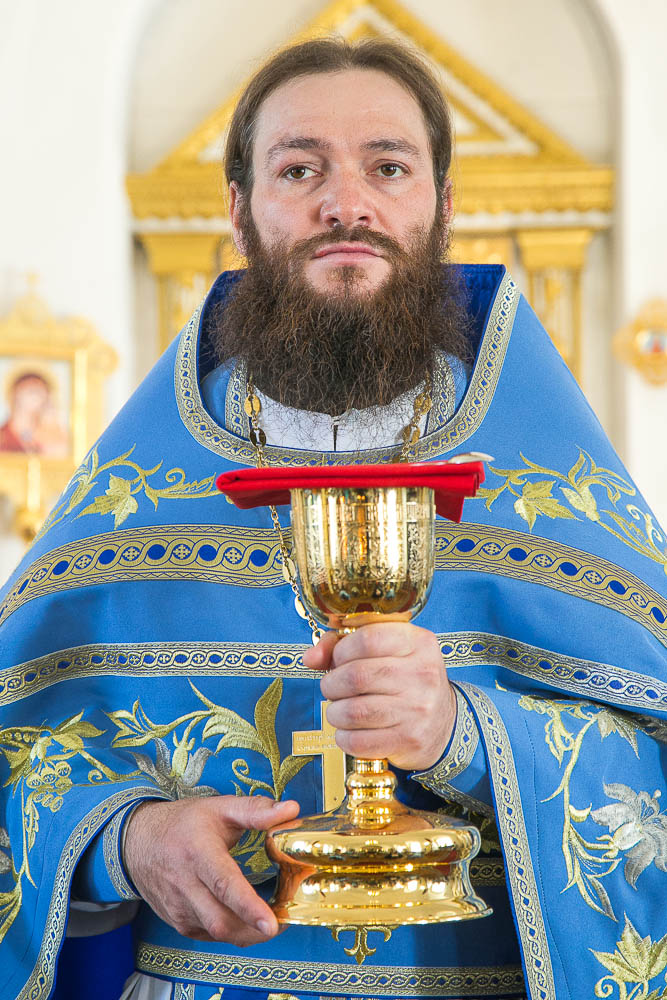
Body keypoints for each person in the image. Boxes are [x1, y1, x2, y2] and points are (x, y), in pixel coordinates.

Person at [0, 36, 665, 1000]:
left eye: (386, 168)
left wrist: (468, 735)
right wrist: (123, 841)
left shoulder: (552, 493)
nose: (345, 204)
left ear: (442, 204)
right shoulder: (131, 500)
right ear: (239, 209)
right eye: (299, 169)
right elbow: (17, 752)